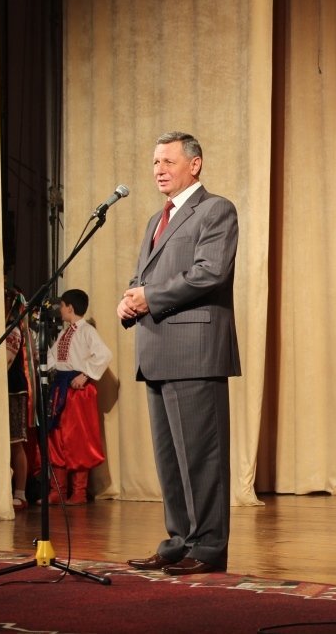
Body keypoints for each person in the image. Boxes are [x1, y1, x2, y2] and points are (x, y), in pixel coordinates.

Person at [117, 131, 240, 576]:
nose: (159, 170)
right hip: (156, 349)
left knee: (202, 458)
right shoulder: (157, 218)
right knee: (170, 459)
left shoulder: (216, 210)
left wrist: (149, 296)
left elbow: (210, 272)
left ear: (195, 164)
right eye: (155, 162)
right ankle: (178, 542)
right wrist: (129, 301)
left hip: (194, 351)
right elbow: (143, 276)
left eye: (168, 161)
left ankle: (208, 548)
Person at [46, 288, 112, 505]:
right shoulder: (65, 333)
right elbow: (54, 356)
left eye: (62, 305)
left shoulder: (86, 331)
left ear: (70, 308)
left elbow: (104, 355)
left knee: (77, 439)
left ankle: (79, 491)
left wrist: (85, 375)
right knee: (57, 436)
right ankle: (58, 490)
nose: (60, 309)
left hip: (77, 391)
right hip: (61, 387)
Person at [5, 287, 35, 511]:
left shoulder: (14, 329)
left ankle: (20, 493)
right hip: (5, 390)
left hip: (14, 390)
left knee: (15, 441)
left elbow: (6, 362)